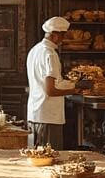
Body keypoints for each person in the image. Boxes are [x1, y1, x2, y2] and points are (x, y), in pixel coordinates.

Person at [26, 16, 89, 149]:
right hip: (48, 116)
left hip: (36, 113)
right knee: (49, 159)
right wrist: (75, 90)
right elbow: (51, 90)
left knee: (38, 158)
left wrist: (71, 84)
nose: (63, 40)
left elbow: (49, 82)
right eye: (63, 36)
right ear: (55, 35)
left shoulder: (35, 50)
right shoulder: (50, 54)